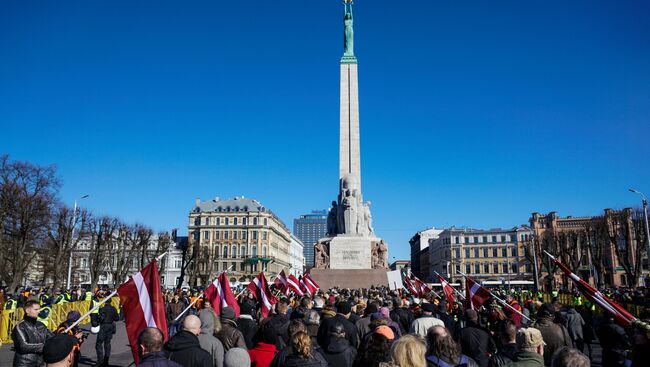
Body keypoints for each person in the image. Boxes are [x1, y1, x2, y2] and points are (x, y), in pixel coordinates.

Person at [12, 299, 54, 367]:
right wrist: (44, 346)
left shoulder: (41, 325)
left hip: (40, 363)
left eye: (39, 309)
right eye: (36, 309)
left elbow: (52, 337)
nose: (39, 311)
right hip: (24, 364)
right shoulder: (20, 326)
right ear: (27, 311)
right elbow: (23, 346)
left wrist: (63, 336)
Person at [95, 295, 119, 367]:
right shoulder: (113, 309)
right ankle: (106, 361)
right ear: (111, 301)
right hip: (110, 326)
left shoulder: (102, 309)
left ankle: (100, 361)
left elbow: (99, 319)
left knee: (99, 344)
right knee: (107, 343)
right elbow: (117, 318)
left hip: (103, 326)